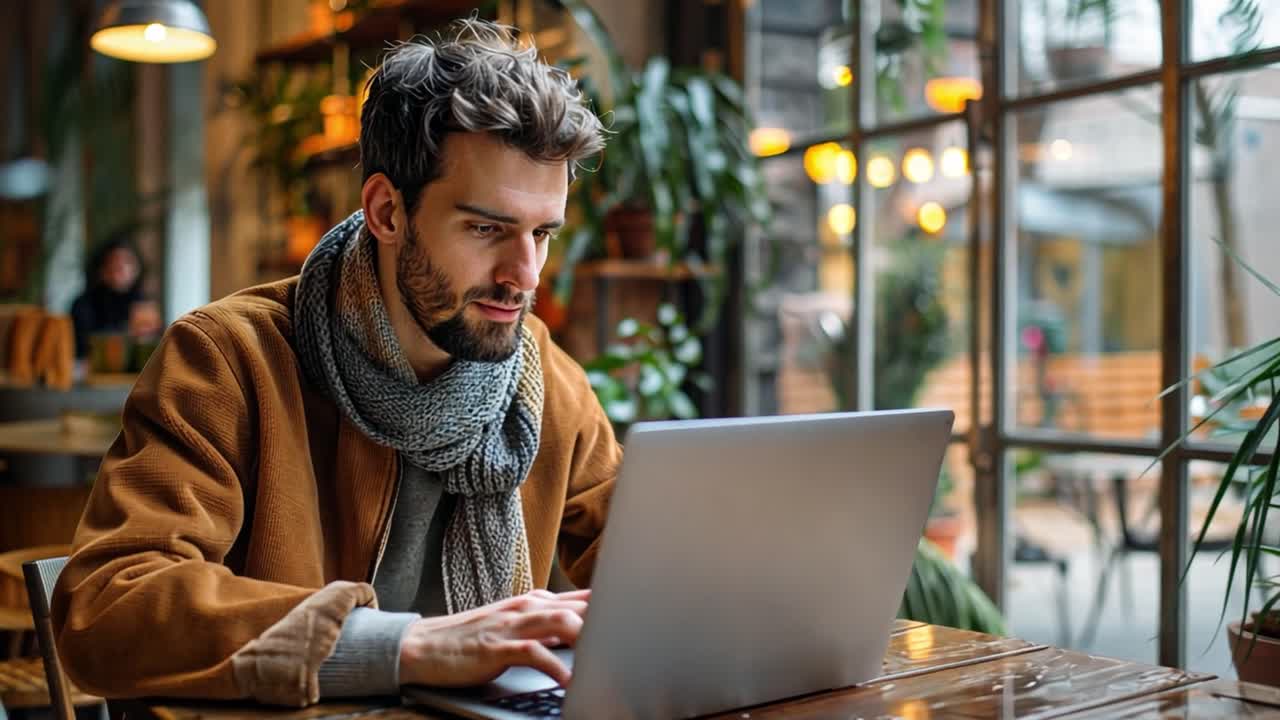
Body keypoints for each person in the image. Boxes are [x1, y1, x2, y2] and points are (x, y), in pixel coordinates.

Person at [51, 19, 619, 707]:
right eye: (486, 228)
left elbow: (653, 580)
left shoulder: (545, 382)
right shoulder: (229, 360)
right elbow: (110, 607)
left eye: (542, 234)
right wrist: (401, 647)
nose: (524, 276)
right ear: (386, 211)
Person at [69, 235, 162, 361]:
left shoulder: (143, 304)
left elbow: (159, 345)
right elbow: (81, 345)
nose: (121, 268)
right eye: (114, 262)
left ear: (137, 269)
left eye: (127, 262)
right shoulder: (84, 304)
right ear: (101, 269)